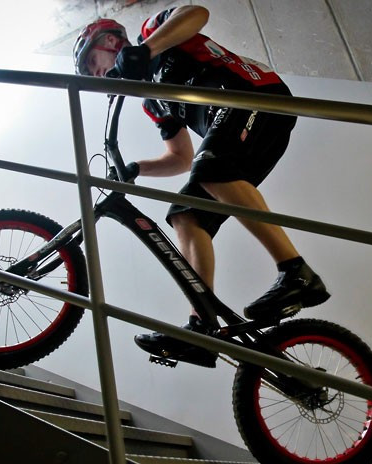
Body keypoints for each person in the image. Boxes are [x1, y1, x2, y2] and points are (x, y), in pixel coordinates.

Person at [73, 6, 329, 367]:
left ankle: (296, 272)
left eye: (91, 65)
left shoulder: (155, 33)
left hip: (254, 97)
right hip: (235, 133)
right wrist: (135, 168)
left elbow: (197, 13)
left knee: (211, 167)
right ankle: (202, 324)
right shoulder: (153, 102)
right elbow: (179, 157)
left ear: (111, 40)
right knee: (185, 215)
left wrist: (145, 50)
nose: (96, 75)